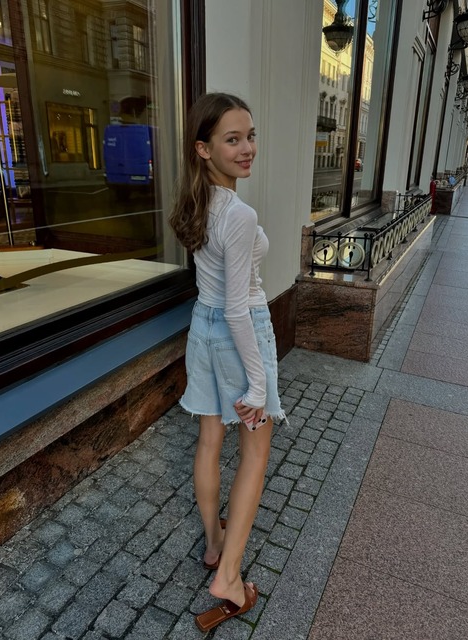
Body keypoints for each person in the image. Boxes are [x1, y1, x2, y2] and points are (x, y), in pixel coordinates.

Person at [169, 93, 285, 632]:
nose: (247, 148)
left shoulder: (197, 201)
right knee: (254, 452)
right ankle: (229, 579)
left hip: (203, 329)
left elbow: (217, 295)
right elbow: (239, 308)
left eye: (250, 136)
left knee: (210, 440)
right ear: (203, 148)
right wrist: (258, 383)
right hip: (240, 336)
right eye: (232, 139)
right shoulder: (238, 213)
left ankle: (215, 544)